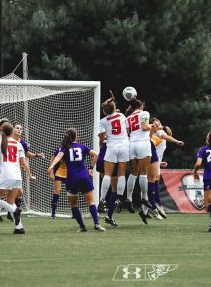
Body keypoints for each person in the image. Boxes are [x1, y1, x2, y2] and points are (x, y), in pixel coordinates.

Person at [48, 128, 105, 232]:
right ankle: (97, 224)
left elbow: (58, 157)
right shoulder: (82, 146)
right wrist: (91, 168)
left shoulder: (64, 148)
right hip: (84, 177)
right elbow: (96, 154)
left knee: (74, 204)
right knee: (91, 202)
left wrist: (52, 166)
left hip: (72, 179)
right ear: (75, 136)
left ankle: (82, 226)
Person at [0, 123, 36, 234]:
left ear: (2, 132)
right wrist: (29, 175)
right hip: (17, 177)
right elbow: (24, 162)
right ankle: (19, 227)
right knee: (11, 202)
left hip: (6, 176)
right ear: (12, 132)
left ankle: (14, 210)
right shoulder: (18, 144)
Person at [98, 95, 129, 226]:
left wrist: (101, 145)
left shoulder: (103, 121)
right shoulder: (122, 116)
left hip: (110, 148)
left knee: (107, 174)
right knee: (122, 174)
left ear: (104, 111)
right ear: (114, 108)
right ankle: (119, 198)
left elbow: (102, 137)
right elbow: (127, 130)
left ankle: (102, 199)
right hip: (124, 146)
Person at [125, 98, 155, 224]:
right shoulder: (144, 113)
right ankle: (144, 197)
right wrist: (152, 126)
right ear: (141, 106)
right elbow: (144, 127)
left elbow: (127, 133)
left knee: (133, 173)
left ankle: (128, 198)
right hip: (143, 143)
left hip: (132, 144)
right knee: (143, 173)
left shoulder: (128, 118)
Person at [150, 118, 184, 218]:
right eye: (155, 122)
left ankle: (150, 207)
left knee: (153, 183)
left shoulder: (154, 133)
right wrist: (177, 141)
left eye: (158, 121)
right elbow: (166, 137)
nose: (157, 123)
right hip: (152, 161)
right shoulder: (159, 132)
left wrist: (160, 163)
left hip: (155, 161)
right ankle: (155, 206)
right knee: (153, 183)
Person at [12, 123, 45, 210]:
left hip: (15, 169)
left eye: (21, 129)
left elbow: (27, 154)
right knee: (6, 191)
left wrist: (37, 155)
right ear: (12, 129)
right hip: (5, 169)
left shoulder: (22, 143)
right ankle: (1, 212)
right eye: (17, 128)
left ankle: (14, 211)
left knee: (19, 192)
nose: (19, 130)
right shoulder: (7, 140)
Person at [49, 144, 67, 219]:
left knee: (72, 191)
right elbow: (52, 159)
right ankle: (53, 214)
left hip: (70, 172)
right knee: (57, 191)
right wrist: (51, 172)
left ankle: (74, 212)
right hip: (59, 171)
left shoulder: (75, 147)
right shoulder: (61, 148)